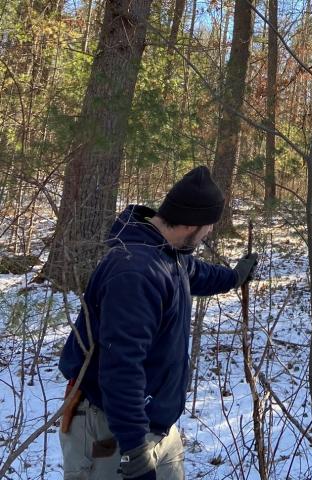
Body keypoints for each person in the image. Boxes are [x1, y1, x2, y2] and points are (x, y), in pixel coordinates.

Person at [58, 166, 258, 480]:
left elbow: (193, 273)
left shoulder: (165, 253)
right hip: (111, 430)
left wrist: (234, 277)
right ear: (192, 224)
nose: (208, 234)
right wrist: (135, 452)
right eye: (208, 227)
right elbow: (121, 366)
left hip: (155, 425)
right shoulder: (135, 273)